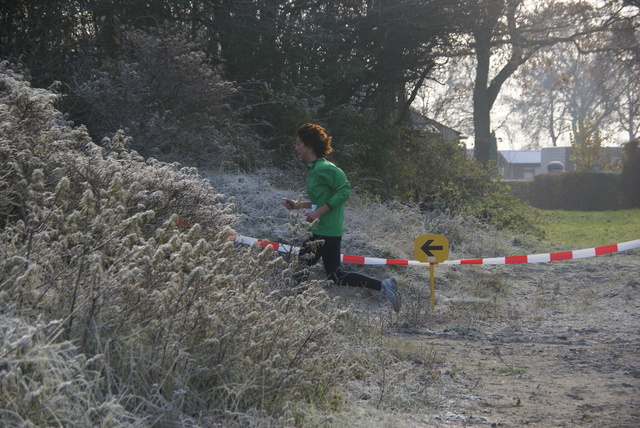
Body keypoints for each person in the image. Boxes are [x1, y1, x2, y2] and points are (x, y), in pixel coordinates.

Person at [283, 123, 401, 312]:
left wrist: (318, 213)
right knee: (335, 276)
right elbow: (323, 199)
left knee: (300, 271)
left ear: (309, 146)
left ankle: (298, 314)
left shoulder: (325, 168)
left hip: (324, 230)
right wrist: (298, 205)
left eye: (298, 144)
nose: (296, 148)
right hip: (327, 229)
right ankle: (383, 286)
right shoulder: (314, 169)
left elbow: (344, 191)